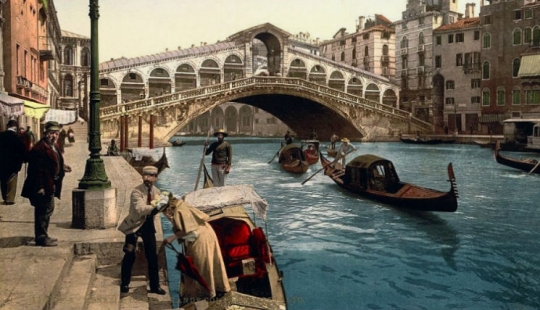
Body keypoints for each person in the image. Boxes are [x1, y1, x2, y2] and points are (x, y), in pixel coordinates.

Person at [164, 199, 231, 302]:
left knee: (201, 266)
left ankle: (206, 294)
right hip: (208, 233)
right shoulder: (183, 206)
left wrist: (172, 237)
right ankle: (219, 288)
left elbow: (191, 233)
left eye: (165, 212)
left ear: (168, 209)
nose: (165, 215)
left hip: (200, 239)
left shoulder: (179, 212)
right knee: (212, 262)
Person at [117, 166, 169, 295]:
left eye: (152, 176)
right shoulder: (136, 192)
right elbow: (140, 209)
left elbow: (164, 207)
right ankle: (124, 283)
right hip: (134, 226)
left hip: (148, 225)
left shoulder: (156, 191)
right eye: (146, 176)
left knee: (152, 256)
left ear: (156, 178)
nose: (149, 179)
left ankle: (155, 286)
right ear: (143, 177)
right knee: (129, 253)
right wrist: (157, 206)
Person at [21, 121, 71, 246]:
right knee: (43, 210)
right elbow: (36, 170)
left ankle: (44, 234)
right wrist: (40, 187)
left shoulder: (53, 146)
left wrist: (62, 166)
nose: (54, 136)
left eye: (56, 133)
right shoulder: (39, 148)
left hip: (50, 184)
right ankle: (41, 237)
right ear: (45, 134)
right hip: (43, 185)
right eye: (51, 133)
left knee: (48, 209)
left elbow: (52, 161)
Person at [0, 120, 28, 205]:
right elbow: (22, 150)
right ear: (15, 127)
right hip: (14, 163)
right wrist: (26, 158)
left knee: (3, 179)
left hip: (1, 163)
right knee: (12, 180)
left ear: (8, 126)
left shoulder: (1, 136)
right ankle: (10, 199)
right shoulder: (17, 137)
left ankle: (4, 197)